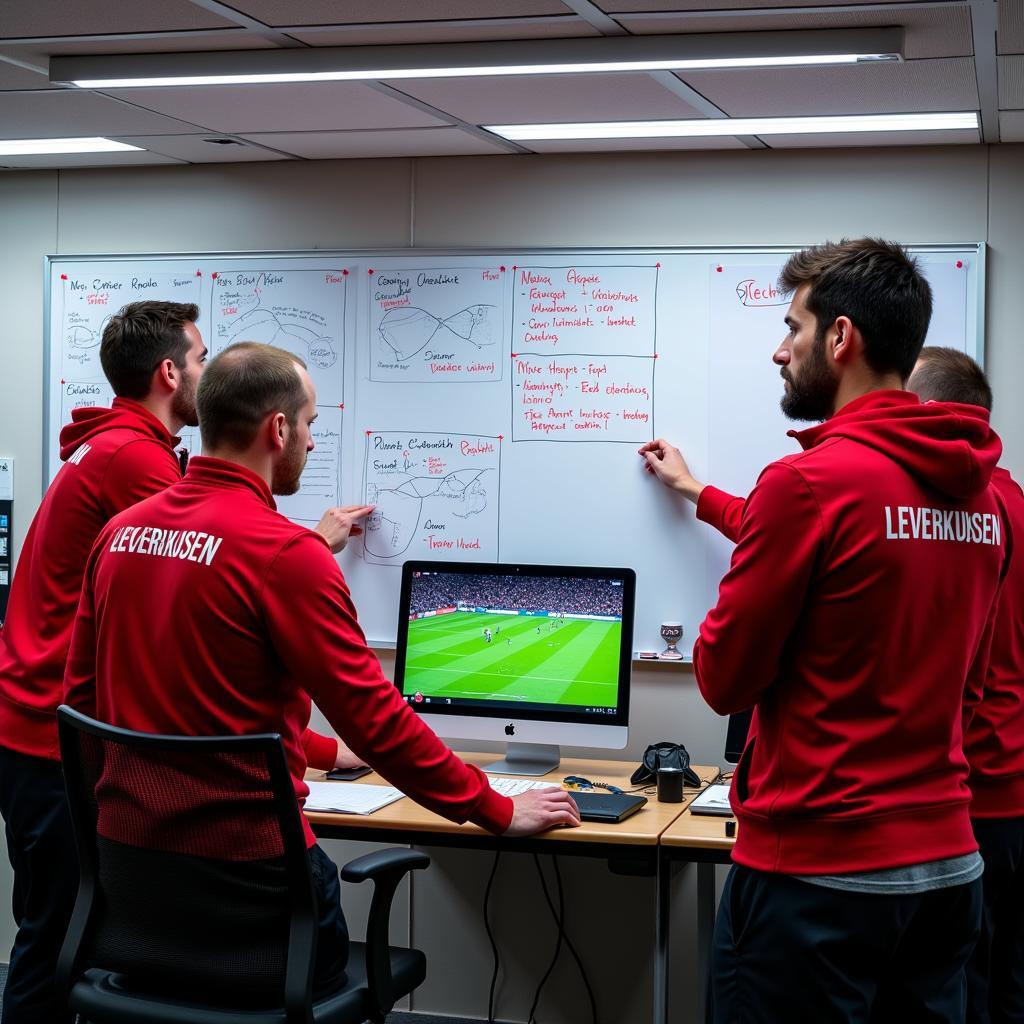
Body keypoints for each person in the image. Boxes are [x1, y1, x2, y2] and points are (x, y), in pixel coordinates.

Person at [63, 342, 580, 995]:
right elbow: (377, 722)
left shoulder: (121, 535)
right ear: (278, 428)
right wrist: (496, 810)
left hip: (131, 882)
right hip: (252, 895)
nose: (310, 440)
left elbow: (82, 703)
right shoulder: (286, 554)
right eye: (309, 423)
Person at [640, 239, 1010, 1022]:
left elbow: (722, 680)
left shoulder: (806, 483)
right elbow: (970, 691)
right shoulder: (983, 503)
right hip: (948, 869)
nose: (780, 351)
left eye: (794, 328)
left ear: (842, 339)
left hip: (816, 881)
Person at [0, 300, 207, 1024]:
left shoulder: (111, 447)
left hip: (34, 727)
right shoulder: (134, 459)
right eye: (203, 361)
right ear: (169, 371)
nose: (208, 378)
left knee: (57, 931)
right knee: (58, 938)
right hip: (53, 739)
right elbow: (204, 567)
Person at [908, 347, 1024, 1024]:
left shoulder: (959, 515)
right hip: (1015, 797)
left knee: (961, 991)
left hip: (972, 800)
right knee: (1009, 984)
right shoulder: (1012, 501)